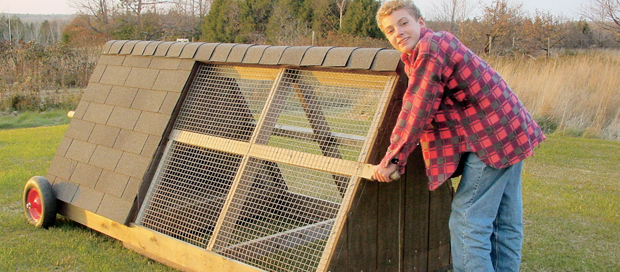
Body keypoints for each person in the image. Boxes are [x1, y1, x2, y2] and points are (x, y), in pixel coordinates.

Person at [372, 1, 546, 271]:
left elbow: (418, 107)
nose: (399, 33)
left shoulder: (431, 48)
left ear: (421, 22)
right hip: (511, 131)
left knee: (467, 220)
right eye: (390, 30)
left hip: (493, 137)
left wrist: (394, 157)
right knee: (504, 221)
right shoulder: (427, 50)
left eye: (404, 23)